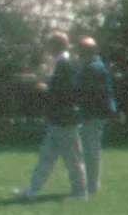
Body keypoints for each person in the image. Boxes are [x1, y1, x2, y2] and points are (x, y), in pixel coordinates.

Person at [16, 30, 87, 200]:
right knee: (46, 157)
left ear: (55, 46)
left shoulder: (64, 63)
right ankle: (33, 190)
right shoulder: (64, 62)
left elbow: (62, 91)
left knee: (72, 158)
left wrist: (42, 88)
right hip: (58, 118)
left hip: (65, 118)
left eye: (49, 44)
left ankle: (80, 192)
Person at [75, 35, 117, 196]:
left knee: (90, 151)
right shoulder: (97, 66)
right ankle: (92, 184)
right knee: (91, 149)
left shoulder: (91, 69)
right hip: (99, 113)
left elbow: (90, 95)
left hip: (93, 114)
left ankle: (91, 185)